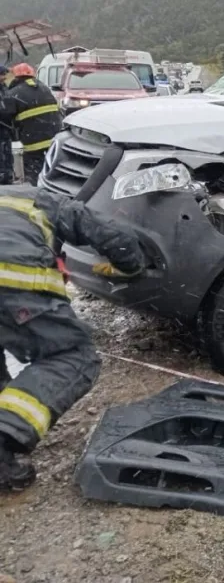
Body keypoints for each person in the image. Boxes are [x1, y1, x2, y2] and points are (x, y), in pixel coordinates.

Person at [0, 186, 147, 492]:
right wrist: (130, 267)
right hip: (10, 276)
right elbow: (114, 234)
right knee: (76, 357)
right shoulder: (47, 200)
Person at [4, 63, 61, 185]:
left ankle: (35, 190)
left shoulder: (13, 93)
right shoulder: (44, 88)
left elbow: (6, 117)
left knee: (33, 169)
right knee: (51, 166)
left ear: (15, 77)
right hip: (54, 136)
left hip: (33, 140)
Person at [0, 65, 14, 185]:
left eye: (4, 75)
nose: (4, 77)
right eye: (2, 75)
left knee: (6, 150)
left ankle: (7, 175)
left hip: (5, 126)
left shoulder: (4, 87)